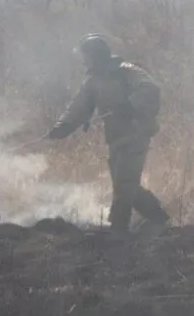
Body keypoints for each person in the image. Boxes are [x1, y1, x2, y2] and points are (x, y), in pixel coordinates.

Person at [46, 34, 170, 234]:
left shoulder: (126, 72)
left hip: (137, 133)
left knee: (124, 184)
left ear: (96, 55)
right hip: (116, 139)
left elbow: (150, 88)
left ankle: (119, 229)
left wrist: (131, 105)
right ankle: (160, 220)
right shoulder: (93, 82)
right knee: (127, 185)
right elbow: (78, 108)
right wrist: (62, 127)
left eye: (86, 56)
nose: (83, 60)